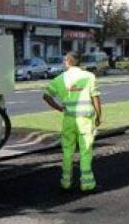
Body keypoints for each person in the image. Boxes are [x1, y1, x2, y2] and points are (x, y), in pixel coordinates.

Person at [42, 51, 102, 192]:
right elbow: (95, 98)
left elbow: (46, 96)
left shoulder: (60, 79)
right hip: (85, 120)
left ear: (68, 61)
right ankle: (87, 183)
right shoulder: (89, 76)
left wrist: (58, 108)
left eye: (64, 60)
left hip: (69, 120)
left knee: (67, 151)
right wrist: (99, 116)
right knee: (86, 151)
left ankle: (66, 182)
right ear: (79, 61)